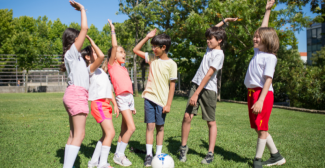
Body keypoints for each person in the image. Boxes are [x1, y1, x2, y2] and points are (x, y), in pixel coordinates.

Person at [178, 18, 238, 165]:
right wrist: (224, 21)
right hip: (196, 84)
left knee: (210, 121)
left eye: (210, 39)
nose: (207, 41)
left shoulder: (219, 55)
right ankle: (183, 148)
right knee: (187, 116)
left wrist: (197, 93)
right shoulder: (209, 48)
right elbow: (213, 29)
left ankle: (210, 153)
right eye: (207, 39)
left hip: (208, 90)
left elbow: (209, 74)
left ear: (219, 40)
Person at [243, 0, 286, 167]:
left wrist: (260, 100)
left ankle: (257, 161)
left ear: (266, 40)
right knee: (258, 127)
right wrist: (267, 11)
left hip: (263, 94)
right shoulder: (258, 52)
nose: (254, 38)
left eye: (257, 37)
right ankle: (276, 156)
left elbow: (269, 79)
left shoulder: (270, 57)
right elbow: (263, 27)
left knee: (262, 128)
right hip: (251, 93)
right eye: (254, 36)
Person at [133, 29, 178, 167]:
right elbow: (136, 49)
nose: (152, 49)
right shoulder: (152, 58)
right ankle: (148, 155)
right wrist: (147, 37)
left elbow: (172, 86)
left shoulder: (172, 64)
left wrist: (168, 104)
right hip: (149, 98)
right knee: (150, 126)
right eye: (152, 46)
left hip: (162, 102)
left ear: (163, 48)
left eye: (155, 47)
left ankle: (158, 155)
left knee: (160, 127)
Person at [101, 19, 136, 167]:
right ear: (114, 56)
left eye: (124, 52)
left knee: (124, 129)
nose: (124, 54)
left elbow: (129, 87)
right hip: (121, 98)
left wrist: (132, 104)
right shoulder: (112, 66)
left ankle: (118, 153)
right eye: (120, 52)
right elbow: (114, 45)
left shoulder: (123, 68)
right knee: (131, 128)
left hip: (129, 98)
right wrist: (113, 30)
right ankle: (119, 154)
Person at [80, 36, 118, 168]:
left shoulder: (101, 71)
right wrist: (92, 42)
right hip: (99, 104)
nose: (97, 53)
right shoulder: (90, 69)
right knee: (110, 133)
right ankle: (102, 163)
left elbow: (108, 88)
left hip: (105, 104)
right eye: (93, 52)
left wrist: (115, 103)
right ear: (87, 57)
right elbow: (101, 56)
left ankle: (94, 161)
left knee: (106, 135)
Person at [61, 1, 90, 167]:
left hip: (74, 94)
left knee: (73, 134)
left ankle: (67, 165)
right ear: (74, 40)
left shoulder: (76, 57)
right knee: (79, 134)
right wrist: (82, 10)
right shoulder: (71, 53)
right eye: (79, 37)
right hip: (77, 94)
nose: (82, 38)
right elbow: (84, 29)